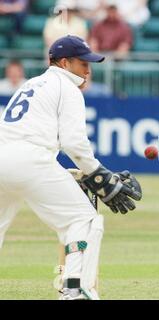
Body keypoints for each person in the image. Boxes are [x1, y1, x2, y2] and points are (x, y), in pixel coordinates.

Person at [0, 35, 142, 300]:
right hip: (31, 159)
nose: (88, 70)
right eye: (82, 63)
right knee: (82, 219)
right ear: (64, 63)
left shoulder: (32, 83)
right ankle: (74, 290)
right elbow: (74, 143)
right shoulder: (67, 87)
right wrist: (100, 175)